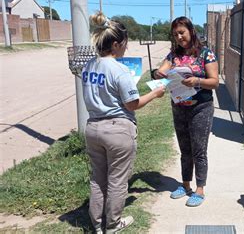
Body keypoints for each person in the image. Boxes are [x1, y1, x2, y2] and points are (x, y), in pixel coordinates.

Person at [82, 12, 165, 233]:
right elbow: (132, 104)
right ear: (116, 44)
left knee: (98, 178)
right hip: (117, 130)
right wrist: (155, 94)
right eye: (125, 44)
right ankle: (113, 224)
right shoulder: (120, 70)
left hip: (92, 128)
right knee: (118, 180)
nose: (126, 49)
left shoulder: (89, 67)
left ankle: (97, 224)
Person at [151, 16, 218, 207]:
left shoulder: (206, 54)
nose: (179, 37)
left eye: (182, 32)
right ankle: (185, 185)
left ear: (191, 31)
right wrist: (158, 74)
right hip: (179, 107)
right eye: (175, 34)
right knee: (184, 149)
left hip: (201, 108)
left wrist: (197, 81)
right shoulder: (173, 55)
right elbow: (160, 72)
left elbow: (214, 82)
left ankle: (200, 189)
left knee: (199, 150)